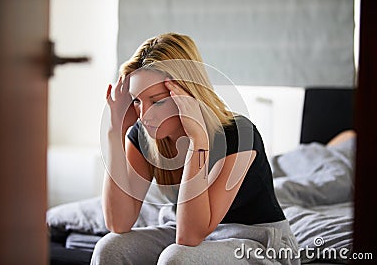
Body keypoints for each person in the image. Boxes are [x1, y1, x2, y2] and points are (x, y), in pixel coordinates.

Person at [91, 33, 300, 264]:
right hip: (187, 231)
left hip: (256, 239)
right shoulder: (142, 135)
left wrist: (197, 140)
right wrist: (115, 132)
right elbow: (118, 223)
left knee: (177, 258)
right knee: (109, 248)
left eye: (157, 101)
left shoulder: (238, 134)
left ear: (188, 92)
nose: (144, 114)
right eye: (137, 101)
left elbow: (188, 237)